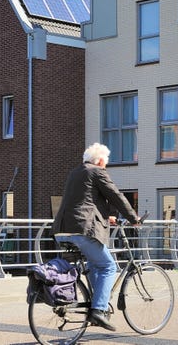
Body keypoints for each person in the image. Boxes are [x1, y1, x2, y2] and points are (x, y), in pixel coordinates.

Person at [52, 142, 140, 332]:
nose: (105, 166)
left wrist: (106, 217)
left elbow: (83, 202)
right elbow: (116, 195)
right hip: (82, 231)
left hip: (63, 230)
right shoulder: (97, 171)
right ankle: (98, 310)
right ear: (100, 160)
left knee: (93, 265)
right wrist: (133, 218)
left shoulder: (76, 172)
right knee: (109, 267)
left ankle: (94, 303)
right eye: (105, 163)